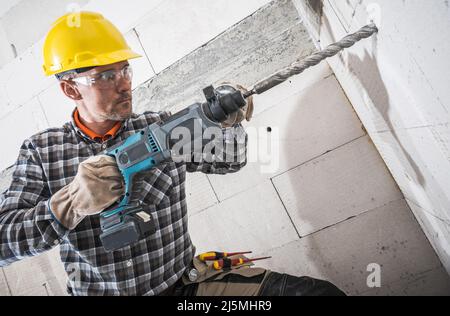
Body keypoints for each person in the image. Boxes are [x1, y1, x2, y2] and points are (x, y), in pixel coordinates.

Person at [0, 11, 345, 296]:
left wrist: (228, 126)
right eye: (106, 75)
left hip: (186, 288)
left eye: (125, 70)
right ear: (70, 87)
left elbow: (230, 160)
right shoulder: (42, 151)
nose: (124, 83)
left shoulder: (158, 128)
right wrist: (70, 204)